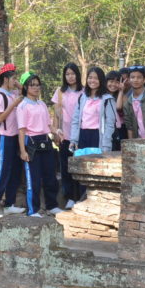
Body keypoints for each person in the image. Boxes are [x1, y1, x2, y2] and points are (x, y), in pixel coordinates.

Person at [17, 73, 63, 217]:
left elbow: (48, 125)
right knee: (34, 179)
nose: (36, 88)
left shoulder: (42, 104)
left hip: (45, 141)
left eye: (38, 85)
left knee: (50, 176)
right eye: (32, 85)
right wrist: (22, 151)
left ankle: (52, 205)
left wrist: (57, 132)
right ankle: (33, 209)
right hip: (31, 142)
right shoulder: (23, 106)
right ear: (25, 87)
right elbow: (21, 130)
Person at [0, 63, 25, 219]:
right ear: (6, 79)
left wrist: (17, 84)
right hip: (5, 137)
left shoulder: (12, 93)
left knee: (15, 171)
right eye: (13, 78)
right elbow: (0, 118)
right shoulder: (0, 96)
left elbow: (25, 92)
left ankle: (9, 204)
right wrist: (13, 105)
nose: (16, 81)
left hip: (15, 137)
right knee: (2, 172)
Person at [51, 63, 83, 209]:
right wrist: (56, 133)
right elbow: (56, 114)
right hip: (65, 135)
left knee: (80, 167)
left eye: (73, 73)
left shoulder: (84, 91)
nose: (70, 76)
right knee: (66, 168)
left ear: (78, 74)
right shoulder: (60, 91)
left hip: (80, 135)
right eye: (67, 74)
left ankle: (81, 198)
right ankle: (69, 197)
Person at [68, 67, 117, 153]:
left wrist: (106, 144)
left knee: (96, 165)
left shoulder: (107, 99)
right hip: (82, 136)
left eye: (96, 78)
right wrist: (74, 140)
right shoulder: (82, 97)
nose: (92, 80)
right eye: (90, 77)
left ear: (101, 80)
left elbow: (110, 124)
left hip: (98, 137)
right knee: (82, 164)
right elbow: (75, 120)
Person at [106, 70, 128, 150]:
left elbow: (118, 108)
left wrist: (121, 92)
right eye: (111, 81)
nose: (113, 85)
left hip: (120, 130)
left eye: (117, 82)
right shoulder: (103, 96)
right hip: (106, 128)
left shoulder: (124, 97)